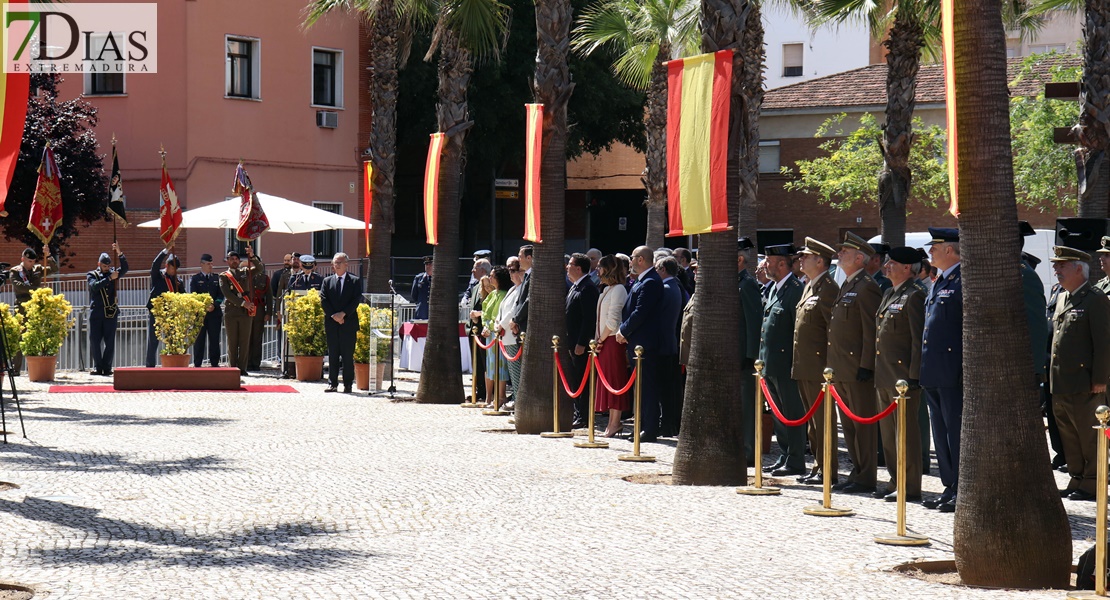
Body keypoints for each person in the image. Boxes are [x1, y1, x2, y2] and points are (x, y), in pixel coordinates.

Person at [1049, 246, 1110, 501]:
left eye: (1061, 265)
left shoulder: (1095, 299)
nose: (1056, 270)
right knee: (1069, 436)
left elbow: (1103, 343)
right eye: (1056, 266)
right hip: (1061, 382)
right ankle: (1076, 477)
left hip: (1085, 384)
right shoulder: (1063, 297)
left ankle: (1092, 483)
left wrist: (1099, 380)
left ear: (1078, 269)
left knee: (1089, 437)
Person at [828, 232, 882, 495]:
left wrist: (866, 365)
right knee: (849, 426)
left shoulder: (867, 286)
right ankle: (857, 472)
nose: (839, 254)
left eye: (845, 252)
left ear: (860, 258)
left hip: (856, 369)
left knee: (862, 426)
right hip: (841, 368)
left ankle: (866, 476)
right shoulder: (849, 284)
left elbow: (870, 330)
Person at [871, 246, 926, 502]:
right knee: (889, 435)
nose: (887, 266)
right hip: (884, 374)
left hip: (903, 378)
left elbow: (917, 339)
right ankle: (896, 479)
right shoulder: (888, 292)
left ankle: (909, 485)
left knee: (906, 434)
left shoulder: (915, 295)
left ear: (907, 268)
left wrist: (914, 376)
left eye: (893, 263)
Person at [920, 227, 963, 513]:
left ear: (950, 249)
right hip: (933, 370)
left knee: (955, 432)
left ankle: (961, 488)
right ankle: (949, 486)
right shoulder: (939, 281)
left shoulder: (963, 280)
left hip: (952, 372)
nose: (930, 252)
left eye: (934, 247)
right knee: (941, 433)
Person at [791, 237, 840, 484]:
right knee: (813, 422)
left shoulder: (828, 288)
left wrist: (829, 368)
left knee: (823, 420)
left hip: (819, 367)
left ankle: (828, 469)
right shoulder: (809, 286)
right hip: (805, 365)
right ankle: (819, 465)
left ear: (820, 261)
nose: (800, 260)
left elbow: (833, 330)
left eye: (806, 256)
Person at [758, 244, 806, 476]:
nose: (765, 265)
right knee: (779, 414)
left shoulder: (795, 290)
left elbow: (797, 331)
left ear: (781, 263)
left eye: (768, 261)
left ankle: (796, 459)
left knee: (792, 413)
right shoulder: (775, 289)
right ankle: (785, 455)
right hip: (771, 364)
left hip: (786, 364)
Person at [616, 246, 664, 441]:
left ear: (642, 260)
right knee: (641, 388)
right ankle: (642, 424)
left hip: (645, 343)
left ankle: (650, 428)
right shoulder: (642, 280)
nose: (631, 262)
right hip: (637, 342)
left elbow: (640, 312)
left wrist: (623, 330)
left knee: (648, 388)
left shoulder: (651, 281)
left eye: (633, 258)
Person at [596, 255, 631, 437]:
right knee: (608, 381)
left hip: (611, 342)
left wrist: (600, 340)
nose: (598, 271)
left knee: (615, 381)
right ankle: (611, 422)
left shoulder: (618, 289)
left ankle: (615, 422)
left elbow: (613, 319)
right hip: (604, 340)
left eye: (601, 268)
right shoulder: (608, 289)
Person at [9, 245, 57, 375]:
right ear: (22, 259)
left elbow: (54, 269)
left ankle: (36, 369)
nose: (31, 264)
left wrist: (48, 255)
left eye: (33, 261)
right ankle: (16, 368)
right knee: (21, 337)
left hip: (36, 306)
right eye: (29, 261)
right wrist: (38, 290)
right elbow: (20, 287)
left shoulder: (37, 269)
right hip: (22, 307)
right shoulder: (15, 271)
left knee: (37, 335)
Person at [565, 253, 599, 428]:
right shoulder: (575, 286)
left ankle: (584, 416)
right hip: (571, 342)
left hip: (581, 344)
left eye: (570, 264)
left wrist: (582, 342)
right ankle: (578, 412)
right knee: (575, 380)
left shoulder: (588, 288)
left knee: (582, 381)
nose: (567, 267)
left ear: (579, 268)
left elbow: (589, 319)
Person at [321, 252, 363, 393]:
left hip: (348, 323)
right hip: (332, 323)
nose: (337, 265)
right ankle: (332, 383)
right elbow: (324, 300)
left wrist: (343, 314)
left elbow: (356, 300)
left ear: (346, 264)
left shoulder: (355, 281)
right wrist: (334, 315)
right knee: (333, 354)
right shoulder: (327, 281)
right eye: (335, 262)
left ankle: (348, 384)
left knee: (347, 355)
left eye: (340, 262)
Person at [737, 238, 763, 463]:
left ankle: (748, 451)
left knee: (747, 406)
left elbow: (753, 322)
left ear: (739, 259)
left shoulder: (746, 284)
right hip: (733, 354)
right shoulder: (735, 282)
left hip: (743, 357)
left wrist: (750, 355)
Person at [655, 256, 685, 436]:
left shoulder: (666, 289)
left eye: (657, 269)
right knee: (669, 388)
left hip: (664, 345)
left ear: (664, 269)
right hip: (669, 344)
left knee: (665, 389)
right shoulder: (674, 286)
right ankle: (669, 423)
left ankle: (666, 424)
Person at [87, 243, 127, 376]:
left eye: (108, 266)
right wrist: (109, 278)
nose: (107, 268)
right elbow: (94, 287)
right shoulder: (92, 275)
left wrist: (119, 252)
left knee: (110, 342)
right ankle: (98, 367)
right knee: (95, 341)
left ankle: (107, 367)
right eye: (104, 266)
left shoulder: (113, 273)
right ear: (99, 264)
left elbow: (126, 267)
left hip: (110, 313)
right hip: (97, 312)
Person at [220, 248, 261, 376]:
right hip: (232, 312)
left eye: (236, 259)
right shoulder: (223, 276)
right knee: (232, 341)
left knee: (244, 341)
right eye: (231, 259)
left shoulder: (245, 272)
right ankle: (233, 368)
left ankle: (242, 368)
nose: (234, 261)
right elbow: (227, 294)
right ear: (227, 261)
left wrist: (252, 256)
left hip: (245, 313)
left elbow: (260, 269)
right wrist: (243, 303)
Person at [145, 247, 184, 367]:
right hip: (157, 312)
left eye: (176, 269)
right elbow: (155, 264)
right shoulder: (158, 276)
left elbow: (182, 295)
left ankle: (171, 365)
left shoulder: (178, 281)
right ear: (167, 266)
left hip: (171, 313)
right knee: (153, 340)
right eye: (172, 268)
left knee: (172, 339)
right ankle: (150, 366)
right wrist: (166, 250)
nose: (174, 271)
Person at [496, 256, 526, 410]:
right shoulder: (512, 289)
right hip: (505, 334)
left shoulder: (521, 289)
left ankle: (517, 398)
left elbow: (513, 311)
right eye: (509, 271)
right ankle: (515, 396)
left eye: (514, 270)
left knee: (516, 370)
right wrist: (497, 323)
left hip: (512, 334)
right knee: (512, 370)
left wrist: (500, 325)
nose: (511, 274)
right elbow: (503, 310)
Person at [481, 267, 511, 406]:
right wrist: (485, 326)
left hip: (498, 334)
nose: (490, 278)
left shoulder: (504, 294)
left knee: (500, 366)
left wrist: (491, 327)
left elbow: (498, 316)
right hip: (489, 334)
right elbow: (485, 312)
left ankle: (500, 396)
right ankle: (489, 397)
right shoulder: (493, 294)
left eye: (493, 276)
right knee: (490, 366)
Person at [465, 258, 492, 404]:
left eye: (475, 268)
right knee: (477, 364)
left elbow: (489, 308)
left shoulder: (489, 286)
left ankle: (486, 392)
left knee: (485, 363)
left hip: (484, 331)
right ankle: (478, 390)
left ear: (482, 270)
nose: (472, 271)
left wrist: (478, 315)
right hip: (474, 330)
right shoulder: (475, 286)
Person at [191, 253, 224, 367]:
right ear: (202, 264)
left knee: (214, 340)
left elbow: (221, 295)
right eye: (208, 263)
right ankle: (197, 363)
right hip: (200, 314)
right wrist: (204, 306)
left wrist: (214, 305)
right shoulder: (195, 279)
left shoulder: (216, 278)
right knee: (199, 340)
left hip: (214, 314)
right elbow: (194, 295)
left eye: (211, 263)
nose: (211, 266)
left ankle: (214, 364)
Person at [247, 253, 275, 372]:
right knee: (246, 338)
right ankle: (246, 362)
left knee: (257, 339)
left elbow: (269, 296)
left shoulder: (265, 278)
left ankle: (255, 363)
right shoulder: (245, 276)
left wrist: (269, 312)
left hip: (259, 311)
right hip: (247, 310)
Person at [510, 245, 534, 335]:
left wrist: (516, 320)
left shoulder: (533, 276)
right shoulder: (527, 276)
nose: (518, 259)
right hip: (519, 325)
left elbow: (528, 300)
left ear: (529, 258)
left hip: (525, 325)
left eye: (520, 256)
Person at [410, 256, 432, 320]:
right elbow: (414, 295)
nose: (428, 266)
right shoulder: (419, 278)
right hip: (421, 311)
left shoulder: (439, 278)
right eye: (426, 264)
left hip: (435, 312)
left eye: (430, 264)